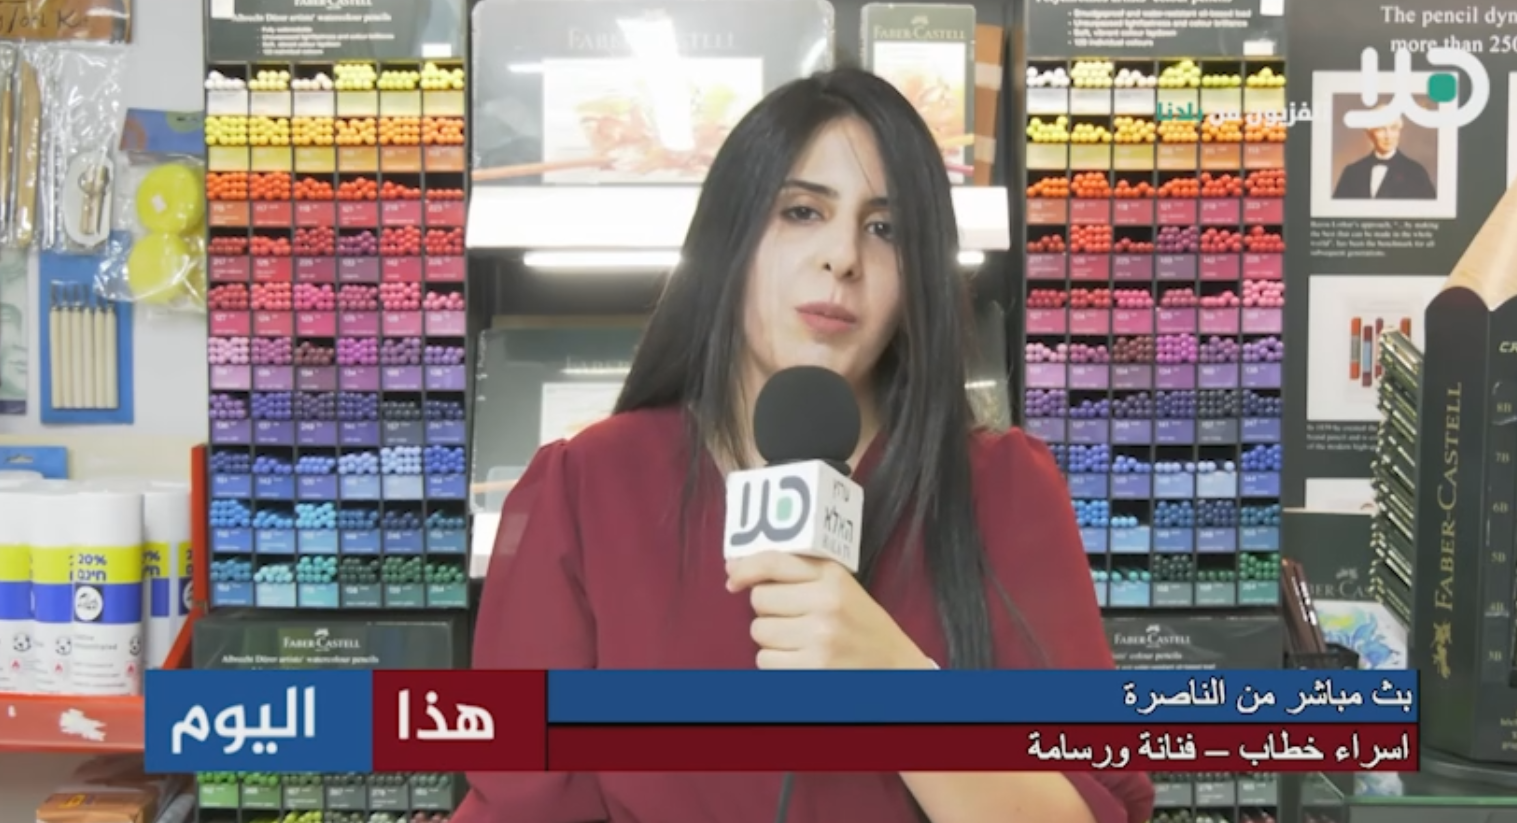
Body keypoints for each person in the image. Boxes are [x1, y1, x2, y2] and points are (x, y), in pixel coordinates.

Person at [461, 67, 1154, 823]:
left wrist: (898, 686)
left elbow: (1094, 808)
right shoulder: (588, 486)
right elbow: (521, 801)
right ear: (729, 240)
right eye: (801, 211)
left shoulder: (1004, 488)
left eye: (885, 229)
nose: (842, 256)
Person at [1333, 110, 1435, 199]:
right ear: (1370, 134)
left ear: (1399, 132)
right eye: (1381, 129)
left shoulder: (1416, 173)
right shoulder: (1352, 173)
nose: (1388, 136)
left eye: (1393, 128)